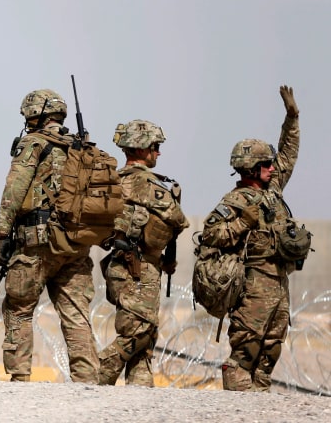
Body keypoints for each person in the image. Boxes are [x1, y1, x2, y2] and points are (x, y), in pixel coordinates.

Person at [0, 89, 99, 383]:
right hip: (76, 243)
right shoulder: (82, 147)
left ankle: (19, 377)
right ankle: (87, 378)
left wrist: (3, 235)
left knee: (19, 307)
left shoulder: (33, 143)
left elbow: (14, 192)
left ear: (34, 115)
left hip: (37, 240)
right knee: (76, 313)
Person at [201, 86, 301, 392]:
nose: (273, 168)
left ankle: (258, 405)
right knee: (246, 350)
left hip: (280, 283)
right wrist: (243, 223)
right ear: (253, 169)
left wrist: (292, 119)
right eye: (266, 165)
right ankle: (237, 406)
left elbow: (287, 155)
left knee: (271, 350)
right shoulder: (235, 201)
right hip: (254, 284)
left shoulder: (272, 191)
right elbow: (210, 235)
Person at [97, 119, 188, 387]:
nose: (158, 152)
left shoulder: (113, 180)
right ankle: (94, 378)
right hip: (138, 269)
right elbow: (178, 219)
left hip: (120, 264)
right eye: (155, 146)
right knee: (139, 332)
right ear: (141, 149)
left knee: (144, 339)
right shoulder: (146, 184)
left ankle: (140, 395)